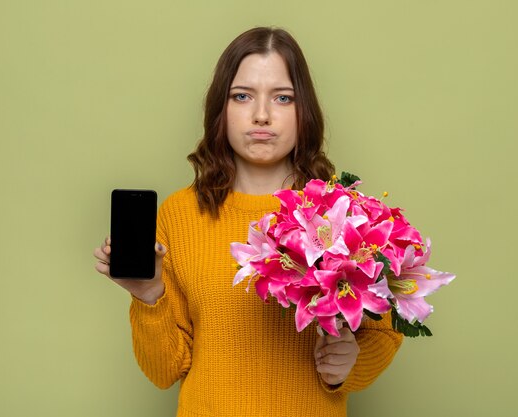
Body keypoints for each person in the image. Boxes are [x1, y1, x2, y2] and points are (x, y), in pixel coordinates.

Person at [94, 26, 402, 417]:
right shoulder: (179, 213)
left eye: (282, 98)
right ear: (220, 110)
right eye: (242, 96)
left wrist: (349, 361)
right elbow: (165, 371)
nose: (261, 115)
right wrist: (147, 294)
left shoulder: (340, 210)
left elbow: (382, 330)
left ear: (303, 110)